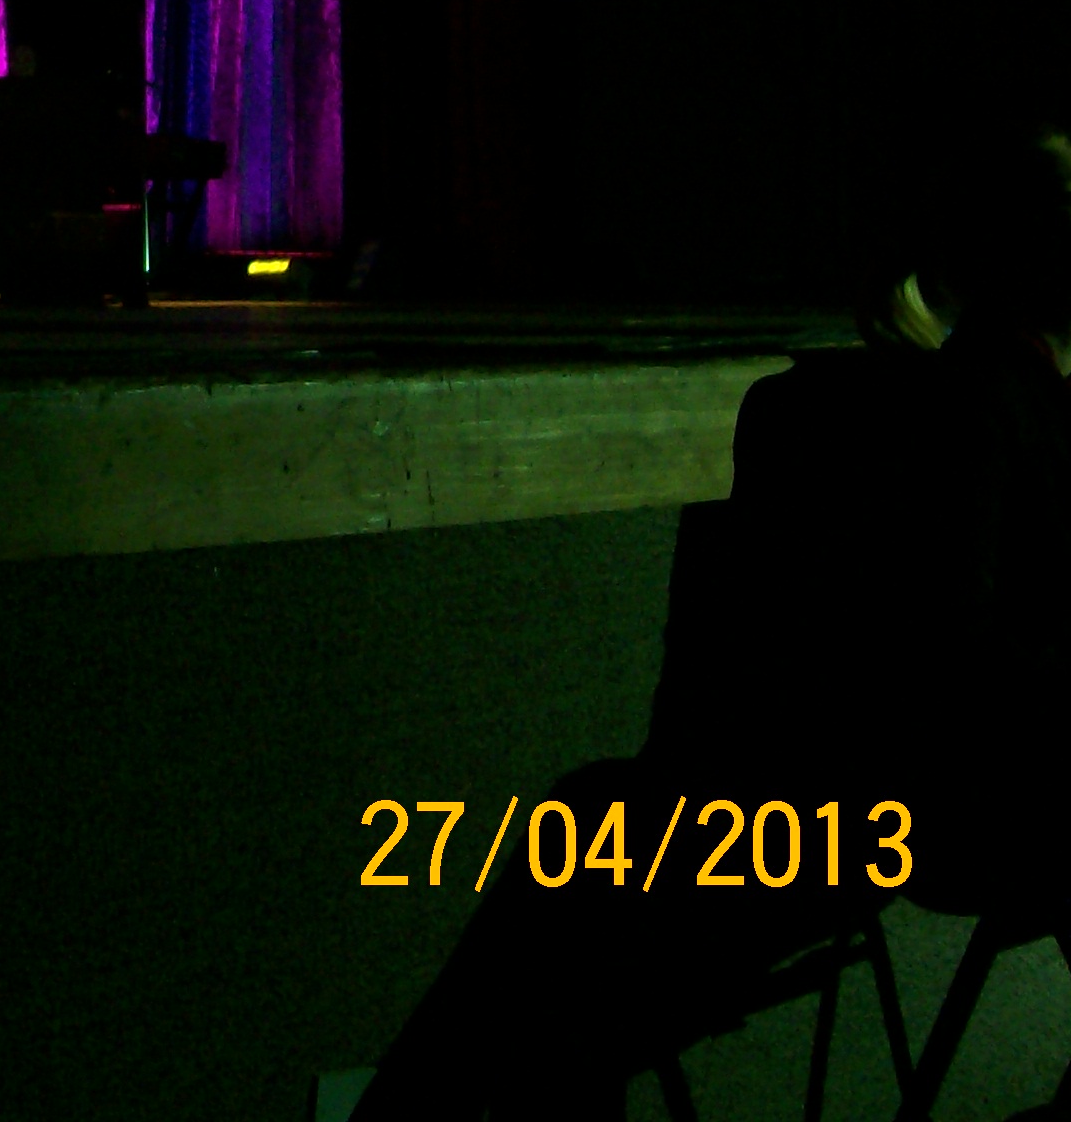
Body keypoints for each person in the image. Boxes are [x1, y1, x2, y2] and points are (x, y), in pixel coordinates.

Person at [354, 104, 1071, 1119]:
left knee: (581, 862)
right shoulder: (975, 413)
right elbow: (954, 660)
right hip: (907, 804)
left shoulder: (896, 408)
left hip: (838, 799)